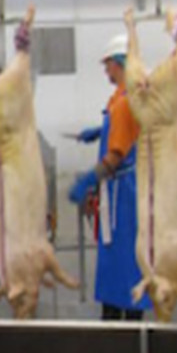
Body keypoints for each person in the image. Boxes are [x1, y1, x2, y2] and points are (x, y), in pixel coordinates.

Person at [68, 35, 151, 321]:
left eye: (108, 65)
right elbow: (121, 128)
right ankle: (117, 325)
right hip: (122, 193)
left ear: (119, 63)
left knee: (126, 267)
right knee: (117, 268)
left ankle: (126, 334)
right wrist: (100, 130)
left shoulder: (125, 103)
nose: (106, 71)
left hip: (123, 198)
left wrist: (87, 181)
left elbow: (115, 156)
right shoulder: (122, 98)